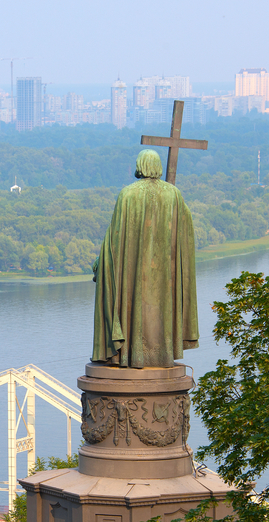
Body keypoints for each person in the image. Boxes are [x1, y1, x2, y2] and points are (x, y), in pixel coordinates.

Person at [92, 150, 199, 368]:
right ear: (158, 166)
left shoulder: (128, 194)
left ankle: (130, 354)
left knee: (131, 306)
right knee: (161, 308)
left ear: (140, 165)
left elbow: (115, 238)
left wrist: (100, 263)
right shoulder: (174, 195)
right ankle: (162, 354)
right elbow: (185, 229)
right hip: (164, 274)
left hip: (133, 273)